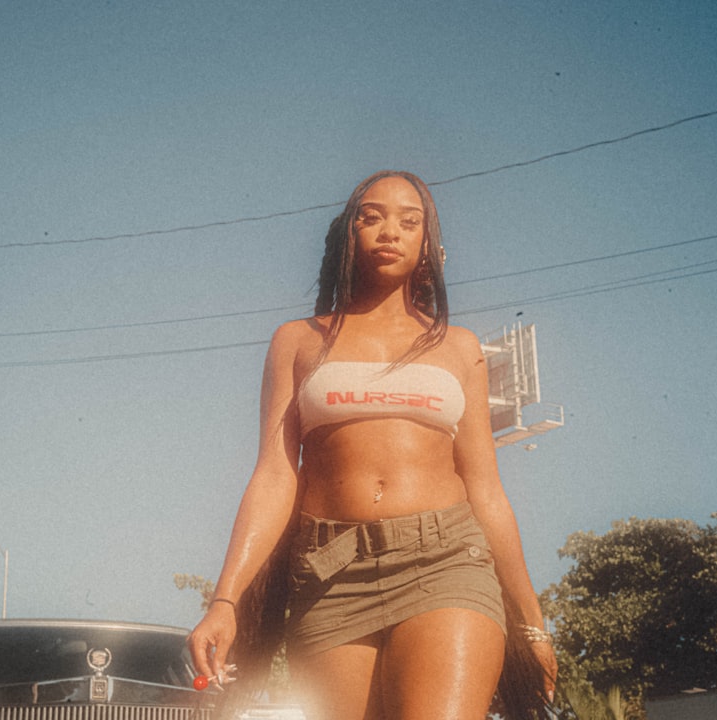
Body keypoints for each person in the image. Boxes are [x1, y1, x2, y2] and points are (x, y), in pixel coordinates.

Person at [188, 170, 557, 719]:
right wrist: (225, 601)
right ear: (348, 235)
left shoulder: (460, 349)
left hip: (447, 562)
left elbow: (487, 490)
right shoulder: (298, 341)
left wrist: (532, 623)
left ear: (429, 247)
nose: (391, 231)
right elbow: (274, 475)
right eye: (373, 217)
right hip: (330, 573)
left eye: (410, 222)